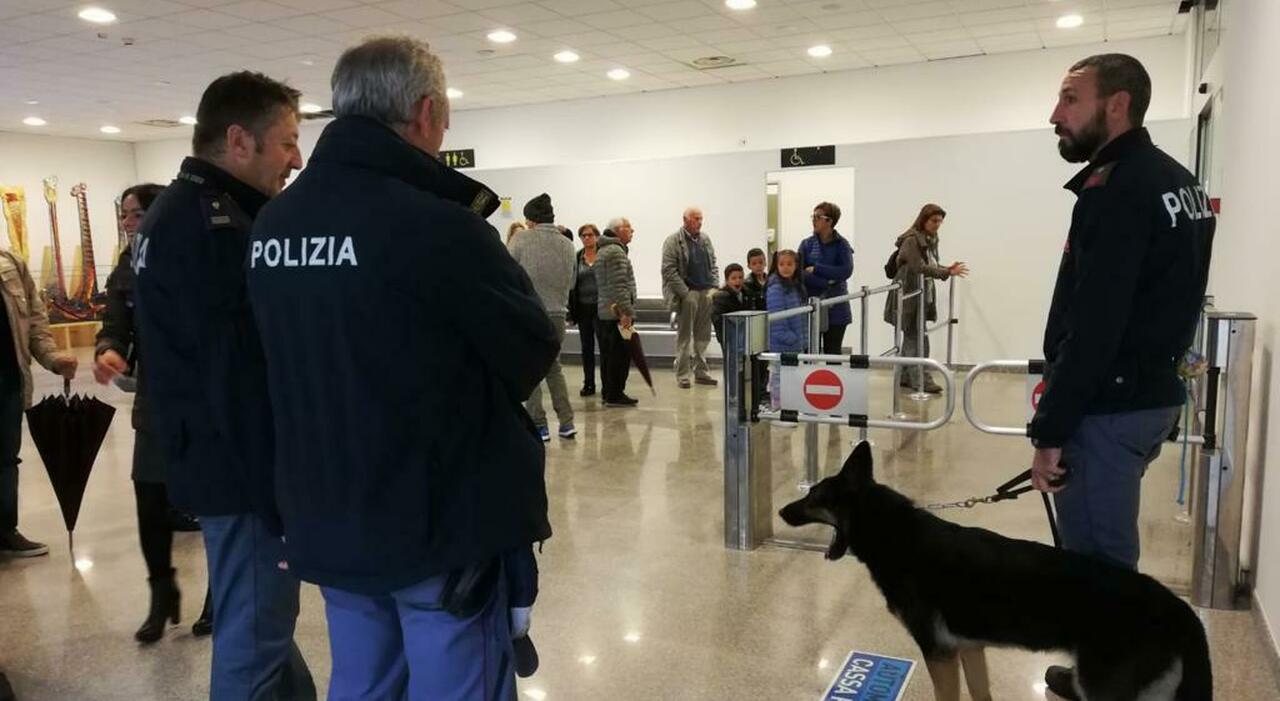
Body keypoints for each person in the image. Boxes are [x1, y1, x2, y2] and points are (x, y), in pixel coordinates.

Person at [246, 36, 557, 700]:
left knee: (362, 680)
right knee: (455, 680)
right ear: (423, 113)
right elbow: (529, 349)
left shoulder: (273, 224)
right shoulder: (438, 224)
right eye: (444, 115)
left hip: (326, 509)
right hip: (434, 517)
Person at [1031, 53, 1215, 700]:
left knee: (1100, 568)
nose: (1055, 114)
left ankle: (1112, 686)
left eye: (1069, 99)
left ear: (1117, 104)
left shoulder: (1117, 191)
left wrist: (1050, 429)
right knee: (1100, 563)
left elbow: (1096, 326)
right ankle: (1093, 674)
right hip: (1148, 394)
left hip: (1107, 409)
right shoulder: (1178, 180)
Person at [132, 71, 314, 699]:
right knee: (255, 634)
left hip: (210, 456)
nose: (296, 158)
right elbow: (235, 377)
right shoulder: (215, 230)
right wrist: (277, 490)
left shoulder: (178, 211)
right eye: (287, 141)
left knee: (260, 620)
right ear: (240, 140)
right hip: (239, 468)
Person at [94, 182, 215, 643]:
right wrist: (109, 349)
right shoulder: (128, 265)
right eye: (124, 215)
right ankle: (161, 593)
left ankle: (217, 597)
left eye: (135, 213)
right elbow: (114, 323)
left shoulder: (195, 255)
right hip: (155, 401)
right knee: (149, 501)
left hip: (204, 401)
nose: (128, 223)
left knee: (210, 506)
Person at [0, 245, 77, 560]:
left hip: (6, 382)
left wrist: (53, 358)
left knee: (5, 461)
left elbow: (34, 320)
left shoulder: (9, 262)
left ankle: (5, 532)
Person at [510, 193, 576, 441]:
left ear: (532, 219)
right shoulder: (568, 244)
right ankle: (567, 422)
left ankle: (539, 425)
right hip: (558, 314)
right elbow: (571, 284)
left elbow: (508, 274)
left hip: (530, 312)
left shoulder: (520, 240)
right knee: (554, 368)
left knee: (531, 368)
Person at [883, 204, 968, 394]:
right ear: (924, 219)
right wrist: (946, 271)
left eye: (940, 221)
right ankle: (920, 379)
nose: (937, 225)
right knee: (917, 337)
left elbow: (929, 265)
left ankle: (905, 376)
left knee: (913, 336)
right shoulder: (912, 240)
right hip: (909, 293)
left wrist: (946, 269)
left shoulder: (929, 239)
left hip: (918, 292)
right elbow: (918, 267)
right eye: (934, 221)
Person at [661, 207, 718, 388]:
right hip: (687, 293)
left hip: (705, 292)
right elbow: (668, 270)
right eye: (695, 219)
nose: (699, 222)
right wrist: (685, 293)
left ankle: (701, 371)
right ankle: (683, 375)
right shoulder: (672, 241)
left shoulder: (705, 239)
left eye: (701, 218)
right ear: (685, 220)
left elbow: (713, 264)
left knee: (703, 336)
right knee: (685, 337)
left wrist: (714, 287)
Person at [797, 202, 853, 354]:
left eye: (818, 217)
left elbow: (846, 271)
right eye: (813, 216)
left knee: (833, 354)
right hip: (811, 305)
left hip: (837, 307)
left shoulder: (842, 244)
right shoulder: (806, 244)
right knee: (808, 353)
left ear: (830, 221)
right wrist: (826, 281)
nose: (813, 220)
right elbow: (799, 273)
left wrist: (816, 269)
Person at [596, 218, 638, 407]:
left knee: (608, 355)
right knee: (620, 355)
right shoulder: (616, 251)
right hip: (617, 313)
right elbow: (620, 285)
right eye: (629, 228)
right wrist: (626, 313)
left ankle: (608, 392)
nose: (632, 231)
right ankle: (615, 394)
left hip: (605, 311)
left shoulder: (603, 249)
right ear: (618, 230)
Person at [766, 250, 808, 410]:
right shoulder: (776, 287)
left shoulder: (796, 286)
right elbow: (777, 317)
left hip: (795, 342)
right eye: (781, 264)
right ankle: (778, 408)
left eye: (790, 264)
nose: (785, 268)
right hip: (782, 342)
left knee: (791, 376)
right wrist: (792, 338)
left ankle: (789, 407)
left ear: (796, 266)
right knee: (778, 376)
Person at [567, 224, 601, 397]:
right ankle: (589, 383)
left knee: (605, 347)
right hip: (583, 308)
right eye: (583, 236)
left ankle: (608, 384)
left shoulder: (603, 255)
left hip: (601, 307)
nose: (586, 238)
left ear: (596, 236)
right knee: (586, 348)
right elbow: (572, 284)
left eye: (589, 235)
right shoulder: (577, 257)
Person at [711, 263, 748, 350]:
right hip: (729, 338)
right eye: (734, 278)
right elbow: (717, 320)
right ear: (727, 281)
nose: (738, 281)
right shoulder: (720, 298)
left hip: (744, 336)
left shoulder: (747, 294)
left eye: (740, 277)